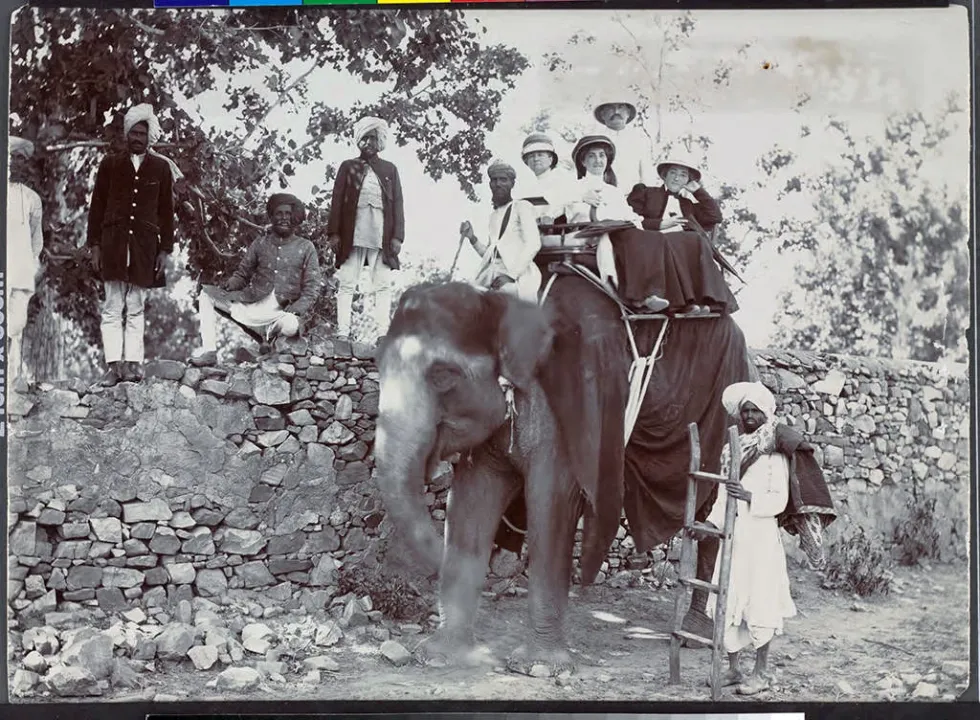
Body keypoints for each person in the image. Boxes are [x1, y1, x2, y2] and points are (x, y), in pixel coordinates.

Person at [694, 381, 798, 696]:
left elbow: (779, 500)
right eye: (746, 410)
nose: (750, 415)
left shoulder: (773, 454)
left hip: (761, 538)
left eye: (755, 410)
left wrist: (750, 495)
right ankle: (734, 668)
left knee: (761, 601)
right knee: (730, 597)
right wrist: (710, 525)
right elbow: (724, 496)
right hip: (735, 538)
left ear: (766, 413)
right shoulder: (733, 449)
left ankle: (761, 672)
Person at [86, 103, 180, 387]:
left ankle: (134, 366)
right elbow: (97, 206)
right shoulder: (110, 164)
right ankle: (114, 366)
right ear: (126, 134)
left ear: (149, 136)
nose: (137, 137)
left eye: (142, 133)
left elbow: (166, 211)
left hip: (145, 246)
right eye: (133, 132)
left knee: (137, 305)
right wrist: (95, 246)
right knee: (113, 305)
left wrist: (165, 250)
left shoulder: (162, 168)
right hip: (113, 242)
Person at [190, 193, 322, 366]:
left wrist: (296, 310)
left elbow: (312, 288)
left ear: (295, 217)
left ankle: (271, 340)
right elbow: (242, 274)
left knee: (291, 326)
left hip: (281, 315)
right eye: (279, 214)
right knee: (206, 295)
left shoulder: (306, 247)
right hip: (252, 308)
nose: (284, 218)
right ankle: (209, 352)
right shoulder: (260, 243)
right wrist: (230, 284)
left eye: (288, 214)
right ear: (272, 217)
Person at [560, 134, 669, 313]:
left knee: (651, 237)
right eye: (592, 156)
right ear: (583, 162)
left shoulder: (614, 191)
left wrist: (639, 224)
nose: (598, 160)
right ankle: (637, 297)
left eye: (602, 155)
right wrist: (579, 196)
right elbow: (553, 202)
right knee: (633, 237)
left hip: (618, 230)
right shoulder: (573, 186)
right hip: (589, 232)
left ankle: (651, 295)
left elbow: (630, 215)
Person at [626, 155, 738, 315]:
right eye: (673, 173)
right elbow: (627, 219)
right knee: (684, 241)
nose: (677, 178)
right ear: (664, 175)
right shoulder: (646, 193)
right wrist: (659, 224)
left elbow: (715, 217)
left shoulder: (688, 206)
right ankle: (674, 301)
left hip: (684, 247)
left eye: (683, 175)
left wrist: (698, 191)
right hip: (652, 242)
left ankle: (703, 302)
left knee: (697, 240)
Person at [327, 116, 404, 343]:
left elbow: (398, 202)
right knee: (347, 281)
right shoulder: (348, 167)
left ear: (379, 141)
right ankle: (342, 332)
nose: (369, 142)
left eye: (373, 138)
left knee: (381, 283)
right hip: (353, 231)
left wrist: (398, 236)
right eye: (365, 138)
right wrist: (334, 232)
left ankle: (382, 333)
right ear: (358, 140)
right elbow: (337, 200)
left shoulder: (389, 169)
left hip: (381, 232)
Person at [460, 160, 542, 304]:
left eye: (503, 180)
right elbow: (491, 254)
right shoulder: (494, 216)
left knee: (505, 302)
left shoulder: (521, 207)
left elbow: (533, 244)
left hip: (518, 274)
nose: (498, 184)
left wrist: (511, 275)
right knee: (465, 302)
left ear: (512, 184)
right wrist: (472, 238)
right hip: (491, 272)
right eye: (494, 180)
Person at [6, 136, 45, 389]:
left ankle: (12, 382)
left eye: (21, 159)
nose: (16, 163)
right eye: (11, 158)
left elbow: (36, 238)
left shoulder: (32, 199)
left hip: (21, 270)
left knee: (16, 326)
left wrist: (33, 267)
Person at [592, 100, 657, 194]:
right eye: (610, 108)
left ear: (628, 113)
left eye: (621, 107)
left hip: (633, 199)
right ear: (602, 114)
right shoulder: (594, 140)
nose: (616, 112)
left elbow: (647, 175)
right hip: (601, 198)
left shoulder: (640, 139)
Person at [518, 132, 572, 224]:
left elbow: (569, 201)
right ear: (526, 162)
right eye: (531, 156)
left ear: (550, 159)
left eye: (540, 155)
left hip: (560, 232)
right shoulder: (525, 186)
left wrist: (549, 215)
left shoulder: (561, 177)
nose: (536, 159)